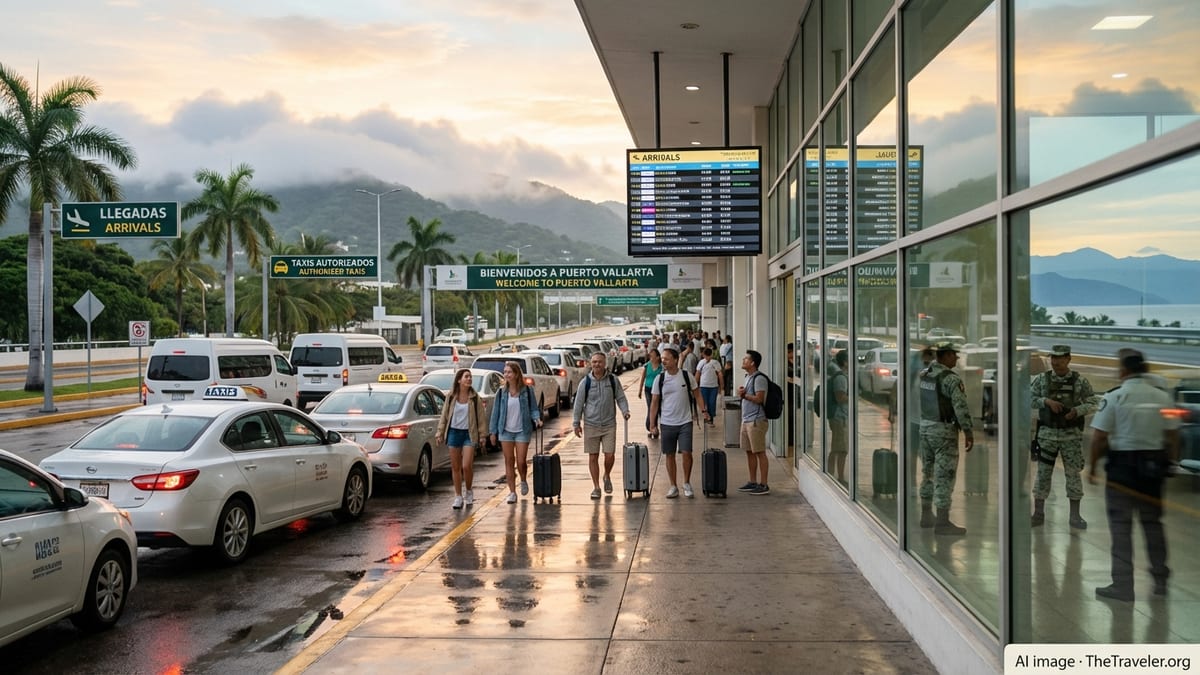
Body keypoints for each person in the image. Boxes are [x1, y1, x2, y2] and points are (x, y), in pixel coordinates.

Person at [1088, 350, 1180, 602]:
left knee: (1121, 528)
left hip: (1122, 469)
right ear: (1145, 370)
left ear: (1123, 371)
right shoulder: (1164, 398)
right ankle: (1160, 580)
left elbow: (1099, 437)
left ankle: (1123, 586)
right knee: (1153, 525)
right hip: (1153, 468)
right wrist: (1170, 461)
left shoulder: (1115, 396)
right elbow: (1173, 435)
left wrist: (1093, 468)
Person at [1030, 345, 1100, 528]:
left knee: (1073, 475)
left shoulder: (1080, 382)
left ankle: (1075, 516)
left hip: (1071, 436)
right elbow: (1028, 398)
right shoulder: (1042, 380)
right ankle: (1038, 514)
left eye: (1060, 358)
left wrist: (1077, 411)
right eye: (1053, 358)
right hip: (1047, 435)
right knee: (1043, 475)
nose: (1056, 362)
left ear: (1069, 359)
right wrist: (1046, 401)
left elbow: (1094, 402)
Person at [917, 341, 974, 535]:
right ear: (946, 356)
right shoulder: (950, 379)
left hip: (925, 428)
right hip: (943, 431)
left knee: (928, 473)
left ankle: (926, 515)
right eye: (954, 355)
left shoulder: (924, 374)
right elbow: (960, 407)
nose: (957, 358)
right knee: (945, 476)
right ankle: (942, 522)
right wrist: (968, 431)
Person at [649, 345, 710, 498]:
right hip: (667, 423)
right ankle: (673, 485)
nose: (663, 361)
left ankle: (687, 482)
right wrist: (652, 424)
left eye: (667, 359)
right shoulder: (660, 379)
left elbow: (697, 395)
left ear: (676, 360)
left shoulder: (686, 376)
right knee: (669, 454)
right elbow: (654, 402)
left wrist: (704, 411)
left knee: (686, 452)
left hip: (685, 421)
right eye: (662, 359)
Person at [573, 352, 631, 499]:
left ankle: (607, 475)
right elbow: (578, 404)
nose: (596, 364)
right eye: (594, 362)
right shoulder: (585, 382)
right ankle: (596, 487)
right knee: (593, 456)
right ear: (590, 364)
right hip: (591, 424)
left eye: (599, 362)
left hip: (609, 424)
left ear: (605, 364)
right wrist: (576, 423)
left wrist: (625, 411)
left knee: (609, 455)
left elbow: (620, 397)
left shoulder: (612, 380)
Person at [488, 360, 542, 504]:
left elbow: (533, 408)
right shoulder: (501, 392)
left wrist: (537, 419)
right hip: (505, 431)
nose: (506, 374)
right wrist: (492, 432)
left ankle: (523, 479)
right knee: (509, 461)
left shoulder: (527, 390)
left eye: (509, 372)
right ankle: (512, 492)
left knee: (521, 461)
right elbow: (496, 413)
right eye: (505, 372)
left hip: (522, 430)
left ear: (517, 374)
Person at [436, 368, 487, 509]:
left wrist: (483, 435)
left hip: (469, 434)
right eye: (466, 377)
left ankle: (469, 491)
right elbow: (444, 416)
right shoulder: (451, 396)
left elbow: (481, 418)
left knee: (466, 465)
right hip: (453, 433)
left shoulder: (474, 397)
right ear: (459, 380)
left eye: (470, 377)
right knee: (456, 467)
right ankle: (458, 496)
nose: (469, 379)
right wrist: (440, 433)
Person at [737, 349, 770, 495]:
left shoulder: (759, 379)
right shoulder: (748, 377)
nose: (743, 361)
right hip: (747, 419)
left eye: (746, 359)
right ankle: (752, 481)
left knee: (760, 452)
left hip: (756, 420)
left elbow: (759, 399)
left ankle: (764, 484)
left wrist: (745, 396)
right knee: (749, 451)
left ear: (753, 363)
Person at [827, 349, 850, 483]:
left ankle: (833, 474)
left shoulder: (839, 375)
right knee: (840, 449)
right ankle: (838, 476)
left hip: (839, 416)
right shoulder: (841, 377)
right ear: (845, 362)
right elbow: (840, 397)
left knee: (838, 448)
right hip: (839, 416)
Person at [637, 348, 664, 438]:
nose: (650, 357)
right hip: (648, 389)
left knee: (657, 408)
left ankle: (654, 428)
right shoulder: (647, 365)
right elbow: (643, 378)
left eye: (652, 355)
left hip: (657, 390)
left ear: (657, 357)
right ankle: (651, 427)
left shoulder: (661, 367)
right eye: (650, 356)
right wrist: (640, 390)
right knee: (651, 408)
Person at [695, 347, 723, 424]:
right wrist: (695, 385)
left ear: (711, 355)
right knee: (704, 402)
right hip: (703, 386)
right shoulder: (701, 363)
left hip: (713, 386)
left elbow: (720, 374)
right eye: (705, 356)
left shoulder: (715, 363)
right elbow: (698, 373)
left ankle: (711, 416)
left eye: (708, 355)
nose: (706, 357)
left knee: (712, 402)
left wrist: (721, 386)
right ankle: (706, 417)